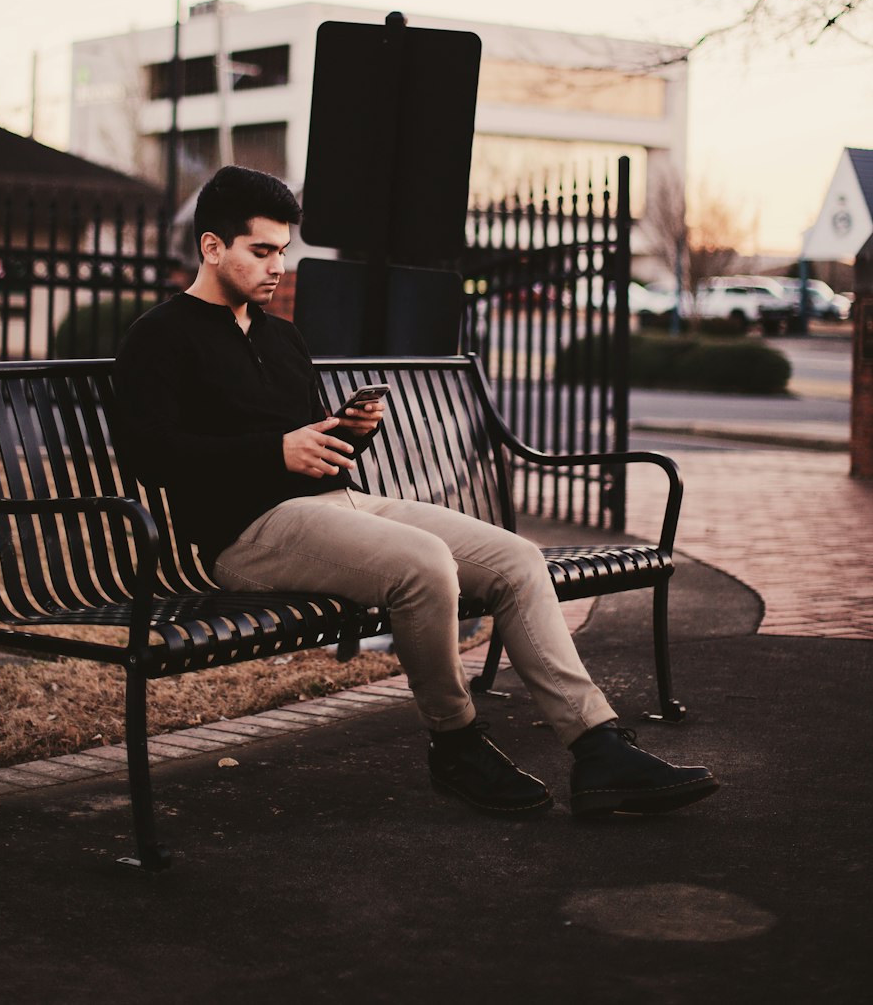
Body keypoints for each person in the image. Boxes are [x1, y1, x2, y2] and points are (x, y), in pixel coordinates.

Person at [115, 166, 719, 820]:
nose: (276, 267)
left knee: (517, 559)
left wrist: (347, 433)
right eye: (261, 251)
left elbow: (309, 450)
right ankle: (456, 743)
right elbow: (149, 457)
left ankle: (598, 749)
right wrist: (272, 450)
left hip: (335, 507)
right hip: (246, 534)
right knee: (422, 564)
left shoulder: (279, 335)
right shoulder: (160, 337)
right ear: (212, 247)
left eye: (283, 251)